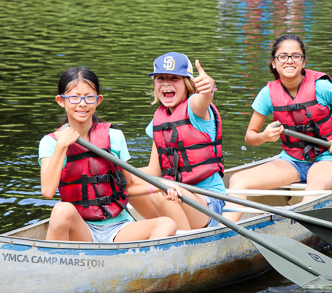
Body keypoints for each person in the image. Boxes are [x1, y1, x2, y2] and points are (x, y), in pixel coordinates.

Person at [224, 34, 332, 222]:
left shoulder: (321, 86)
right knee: (238, 180)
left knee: (316, 185)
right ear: (273, 63)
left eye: (296, 56)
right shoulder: (267, 94)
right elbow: (250, 136)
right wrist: (265, 136)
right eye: (283, 56)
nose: (289, 61)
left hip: (327, 157)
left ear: (303, 62)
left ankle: (298, 223)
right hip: (292, 160)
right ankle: (225, 230)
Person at [39, 67, 178, 242]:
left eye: (89, 97)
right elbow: (47, 191)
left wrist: (162, 187)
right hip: (82, 230)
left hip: (118, 228)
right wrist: (61, 146)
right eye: (74, 97)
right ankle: (56, 265)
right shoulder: (51, 143)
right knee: (61, 210)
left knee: (167, 224)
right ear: (61, 101)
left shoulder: (114, 136)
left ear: (98, 100)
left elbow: (128, 185)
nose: (82, 103)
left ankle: (138, 263)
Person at [128, 52, 226, 230]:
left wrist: (209, 87)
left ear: (187, 83)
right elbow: (152, 170)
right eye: (160, 78)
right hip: (172, 195)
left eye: (174, 78)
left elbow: (203, 100)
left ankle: (183, 244)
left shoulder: (195, 108)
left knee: (160, 187)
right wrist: (119, 174)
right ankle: (165, 230)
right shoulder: (158, 120)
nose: (166, 83)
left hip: (207, 203)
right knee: (125, 185)